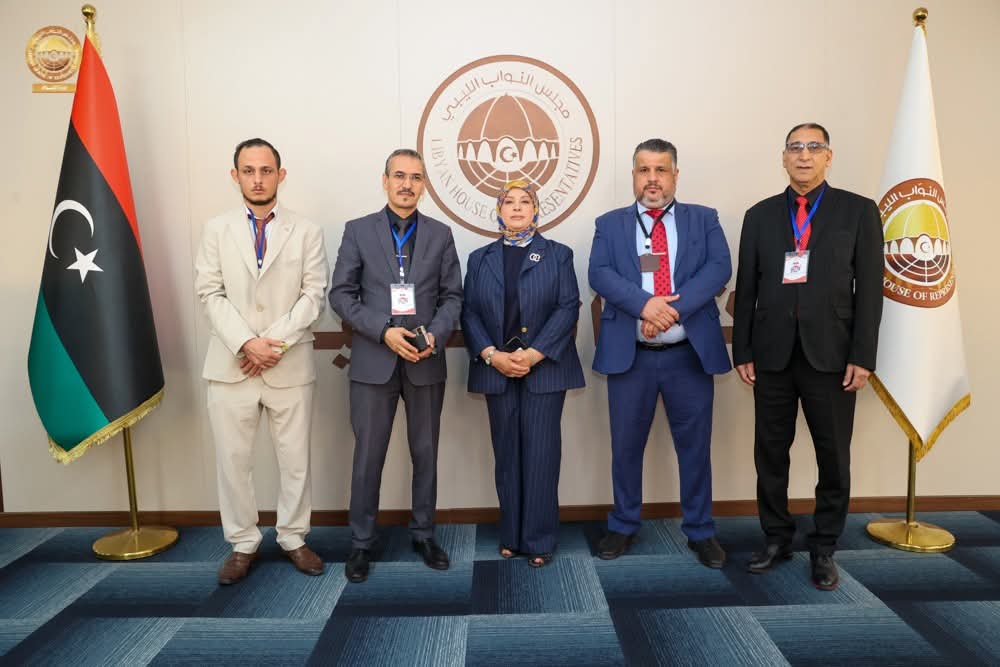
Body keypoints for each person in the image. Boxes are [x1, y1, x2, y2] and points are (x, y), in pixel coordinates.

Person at [732, 122, 883, 591]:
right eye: (795, 147)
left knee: (833, 456)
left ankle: (824, 546)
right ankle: (776, 537)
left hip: (832, 356)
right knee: (770, 453)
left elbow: (870, 290)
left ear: (828, 157)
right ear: (783, 158)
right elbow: (748, 288)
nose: (804, 155)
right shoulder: (759, 216)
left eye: (814, 147)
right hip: (772, 355)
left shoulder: (859, 211)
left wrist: (863, 355)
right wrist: (743, 350)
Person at [588, 138, 732, 568]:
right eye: (644, 170)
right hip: (631, 356)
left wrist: (670, 311)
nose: (652, 179)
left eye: (661, 170)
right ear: (634, 175)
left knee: (695, 447)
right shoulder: (609, 224)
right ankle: (623, 525)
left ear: (675, 175)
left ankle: (700, 530)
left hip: (687, 356)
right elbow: (599, 273)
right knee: (625, 447)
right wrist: (644, 305)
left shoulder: (704, 219)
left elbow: (719, 269)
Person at [194, 138, 328, 585]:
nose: (257, 179)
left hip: (288, 364)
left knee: (295, 461)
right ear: (235, 176)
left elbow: (314, 295)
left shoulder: (306, 231)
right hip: (231, 365)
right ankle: (242, 543)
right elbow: (209, 293)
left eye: (266, 170)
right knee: (233, 461)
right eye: (248, 170)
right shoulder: (216, 229)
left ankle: (293, 537)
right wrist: (246, 343)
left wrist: (273, 344)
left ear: (280, 175)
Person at [329, 148, 463, 583]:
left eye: (416, 177)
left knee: (426, 453)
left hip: (425, 360)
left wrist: (434, 335)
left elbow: (453, 297)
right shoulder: (357, 231)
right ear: (384, 181)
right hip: (374, 360)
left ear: (425, 185)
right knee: (368, 456)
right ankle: (361, 542)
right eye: (399, 176)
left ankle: (424, 534)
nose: (407, 184)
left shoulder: (441, 234)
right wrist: (383, 330)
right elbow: (341, 294)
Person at [461, 180, 585, 567]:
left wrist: (533, 354)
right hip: (496, 368)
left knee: (541, 455)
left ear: (536, 210)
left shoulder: (558, 255)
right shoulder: (479, 259)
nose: (517, 207)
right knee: (507, 455)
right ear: (498, 211)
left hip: (544, 369)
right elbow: (469, 313)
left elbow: (568, 307)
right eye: (509, 202)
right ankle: (511, 535)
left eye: (525, 201)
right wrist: (491, 354)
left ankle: (539, 539)